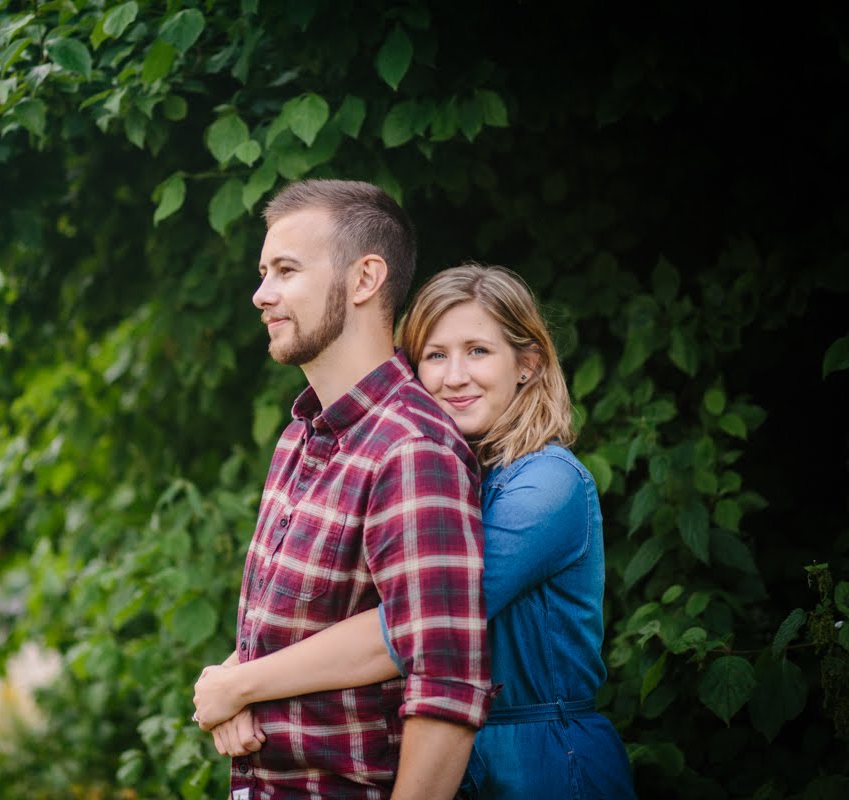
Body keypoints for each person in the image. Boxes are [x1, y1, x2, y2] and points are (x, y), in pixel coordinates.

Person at [195, 264, 637, 799]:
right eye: (435, 355)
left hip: (541, 760)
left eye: (478, 351)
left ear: (528, 363)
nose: (455, 376)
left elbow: (415, 623)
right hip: (439, 752)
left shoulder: (548, 485)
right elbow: (336, 610)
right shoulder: (426, 471)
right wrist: (231, 678)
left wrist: (241, 683)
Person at [205, 180, 493, 799]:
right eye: (263, 273)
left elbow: (446, 688)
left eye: (286, 271)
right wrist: (233, 685)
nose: (261, 294)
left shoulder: (412, 449)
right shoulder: (300, 436)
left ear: (364, 279)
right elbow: (281, 633)